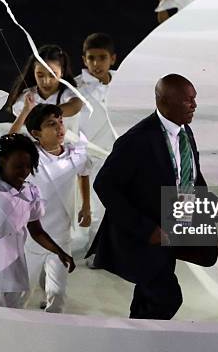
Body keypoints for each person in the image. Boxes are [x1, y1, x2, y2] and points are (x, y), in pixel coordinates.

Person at [86, 74, 218, 320]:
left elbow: (189, 175)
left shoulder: (185, 131)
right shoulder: (137, 140)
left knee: (150, 296)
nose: (194, 105)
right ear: (165, 102)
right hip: (147, 236)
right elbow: (104, 184)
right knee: (167, 296)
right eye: (188, 100)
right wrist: (145, 229)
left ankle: (139, 338)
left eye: (195, 99)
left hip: (173, 227)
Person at [0, 113, 75, 308]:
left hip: (14, 273)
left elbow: (36, 231)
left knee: (12, 323)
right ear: (2, 162)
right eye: (18, 166)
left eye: (28, 166)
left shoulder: (31, 193)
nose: (24, 170)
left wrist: (59, 251)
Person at [9, 103, 92, 313]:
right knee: (22, 290)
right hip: (31, 238)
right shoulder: (30, 157)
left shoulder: (76, 154)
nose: (59, 128)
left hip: (61, 237)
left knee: (58, 293)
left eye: (61, 122)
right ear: (36, 133)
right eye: (51, 124)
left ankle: (54, 332)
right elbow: (8, 143)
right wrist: (25, 112)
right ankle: (12, 326)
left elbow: (84, 172)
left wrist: (86, 207)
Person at [75, 33, 118, 266]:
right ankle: (96, 254)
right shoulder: (75, 87)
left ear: (112, 58)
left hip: (120, 156)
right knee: (96, 210)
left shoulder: (125, 82)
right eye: (91, 58)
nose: (96, 64)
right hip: (91, 159)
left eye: (102, 58)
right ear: (84, 59)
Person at [6, 44, 83, 134]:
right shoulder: (28, 97)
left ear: (62, 72)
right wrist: (25, 111)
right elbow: (13, 135)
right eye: (40, 75)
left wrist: (42, 114)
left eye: (52, 75)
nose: (46, 81)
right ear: (33, 72)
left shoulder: (68, 93)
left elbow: (75, 105)